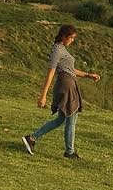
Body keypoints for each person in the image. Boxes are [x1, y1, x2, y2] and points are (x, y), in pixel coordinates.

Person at [22, 24, 100, 159]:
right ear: (63, 36)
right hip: (66, 85)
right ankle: (69, 152)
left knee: (61, 119)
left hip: (69, 83)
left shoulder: (62, 49)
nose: (72, 40)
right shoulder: (57, 50)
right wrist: (43, 96)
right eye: (71, 38)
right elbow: (51, 73)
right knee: (72, 118)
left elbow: (70, 69)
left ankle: (32, 138)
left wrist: (88, 75)